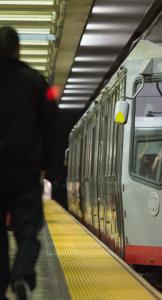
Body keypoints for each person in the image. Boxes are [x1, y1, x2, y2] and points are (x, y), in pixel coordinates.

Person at [0, 27, 59, 300]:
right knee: (28, 229)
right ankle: (22, 275)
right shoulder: (36, 82)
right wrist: (49, 165)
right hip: (25, 171)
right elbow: (53, 127)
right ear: (18, 49)